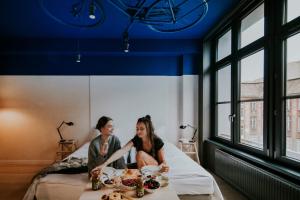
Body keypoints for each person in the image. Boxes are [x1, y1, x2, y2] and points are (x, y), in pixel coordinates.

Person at [91, 115, 169, 176]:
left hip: (155, 168)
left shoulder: (157, 141)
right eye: (137, 128)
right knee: (126, 170)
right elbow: (122, 150)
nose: (138, 131)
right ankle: (143, 179)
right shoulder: (137, 139)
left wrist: (164, 167)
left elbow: (162, 162)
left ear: (148, 129)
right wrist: (105, 164)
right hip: (143, 168)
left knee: (140, 154)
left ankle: (144, 178)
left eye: (141, 129)